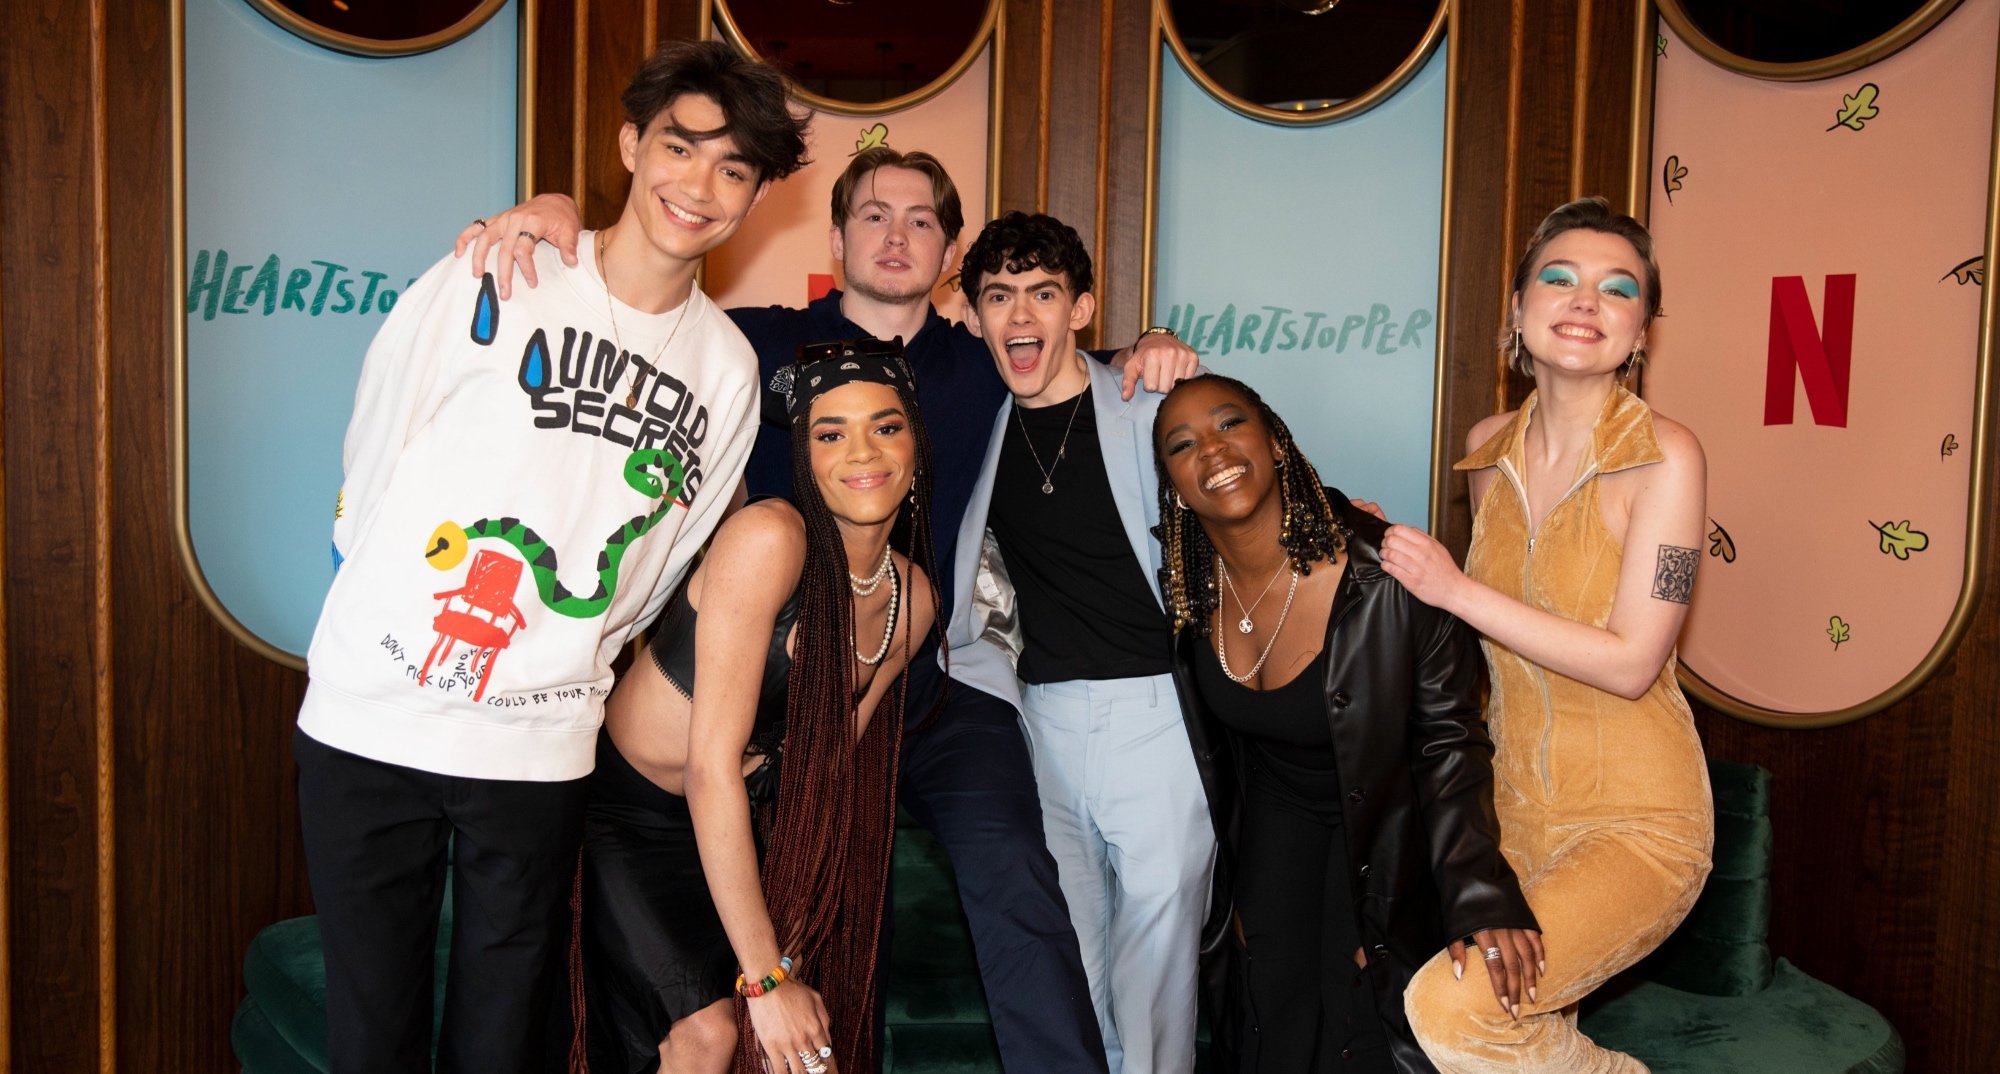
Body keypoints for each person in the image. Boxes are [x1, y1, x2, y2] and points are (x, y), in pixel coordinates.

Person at [459, 143, 1197, 1073]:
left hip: (918, 667)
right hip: (758, 685)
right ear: (838, 236)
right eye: (874, 215)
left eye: (922, 219)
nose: (896, 235)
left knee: (1012, 862)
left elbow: (1063, 362)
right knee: (795, 931)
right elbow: (631, 309)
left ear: (950, 252)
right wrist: (562, 220)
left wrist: (1145, 352)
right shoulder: (751, 341)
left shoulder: (982, 367)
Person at [292, 41, 808, 1074]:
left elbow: (660, 565)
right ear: (630, 144)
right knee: (371, 1036)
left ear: (755, 194)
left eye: (734, 168)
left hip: (535, 746)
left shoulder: (725, 369)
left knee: (501, 1038)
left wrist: (566, 649)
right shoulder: (501, 268)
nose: (698, 186)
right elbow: (377, 440)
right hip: (370, 714)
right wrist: (391, 600)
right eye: (679, 147)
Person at [1383, 197, 1714, 1073]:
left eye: (1618, 289)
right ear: (1519, 312)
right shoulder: (1486, 448)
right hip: (1513, 819)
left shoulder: (1669, 457)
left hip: (1640, 825)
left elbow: (1634, 661)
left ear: (1641, 331)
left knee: (1452, 1011)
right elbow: (1490, 636)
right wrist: (1371, 550)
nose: (1585, 301)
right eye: (1559, 278)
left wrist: (1451, 588)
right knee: (1437, 1002)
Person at [1152, 372, 1541, 1074]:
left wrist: (1475, 892)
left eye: (1229, 424)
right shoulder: (1186, 588)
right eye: (1182, 444)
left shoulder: (1387, 577)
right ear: (1173, 485)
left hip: (1383, 829)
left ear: (1275, 443)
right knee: (1270, 1017)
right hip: (1277, 827)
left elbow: (1450, 742)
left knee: (1360, 1028)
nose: (1211, 450)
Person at [580, 340, 940, 1074]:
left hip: (751, 820)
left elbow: (828, 778)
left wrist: (795, 938)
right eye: (830, 433)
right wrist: (767, 976)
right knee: (712, 1036)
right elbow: (711, 768)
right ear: (804, 457)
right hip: (636, 818)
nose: (861, 452)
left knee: (799, 1056)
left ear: (917, 447)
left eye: (886, 426)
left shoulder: (915, 600)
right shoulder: (769, 539)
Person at [947, 211, 1210, 1074]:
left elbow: (1250, 496)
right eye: (998, 296)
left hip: (1158, 716)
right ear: (976, 314)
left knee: (1158, 960)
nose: (1020, 315)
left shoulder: (1151, 409)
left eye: (1042, 293)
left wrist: (1162, 343)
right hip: (1041, 721)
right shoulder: (978, 427)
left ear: (1081, 309)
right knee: (1071, 963)